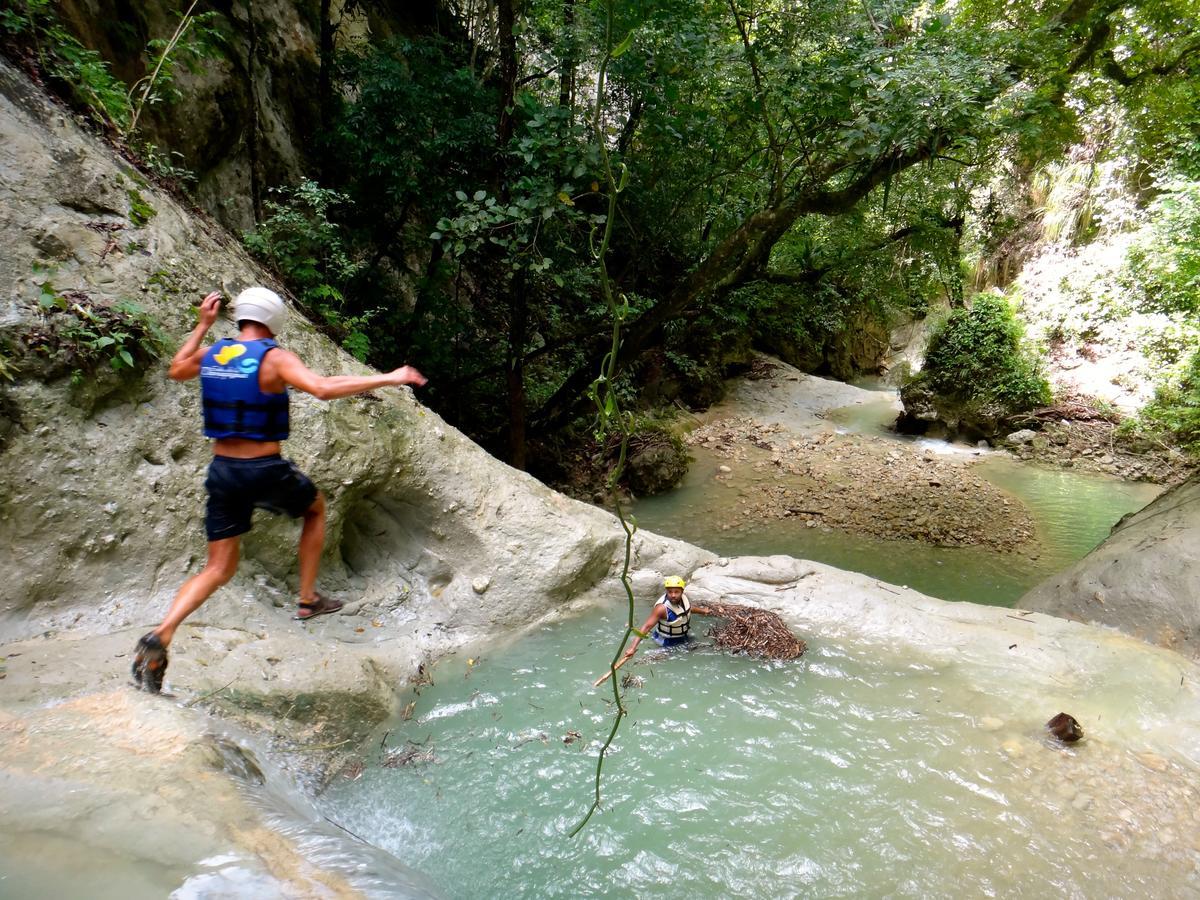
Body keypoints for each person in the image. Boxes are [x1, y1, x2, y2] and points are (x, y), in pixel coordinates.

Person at [131, 287, 427, 692]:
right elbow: (321, 387)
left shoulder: (216, 353)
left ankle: (162, 633)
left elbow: (177, 368)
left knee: (217, 568)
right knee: (316, 509)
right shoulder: (274, 358)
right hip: (263, 469)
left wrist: (201, 325)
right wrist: (390, 378)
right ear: (274, 320)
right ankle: (307, 599)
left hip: (222, 470)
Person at [623, 576, 715, 660]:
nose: (673, 595)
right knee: (667, 659)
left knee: (703, 648)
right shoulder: (661, 608)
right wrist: (632, 648)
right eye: (670, 592)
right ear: (666, 591)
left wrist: (703, 611)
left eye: (676, 592)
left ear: (682, 591)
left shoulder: (683, 599)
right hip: (665, 641)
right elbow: (646, 627)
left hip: (683, 637)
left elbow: (688, 609)